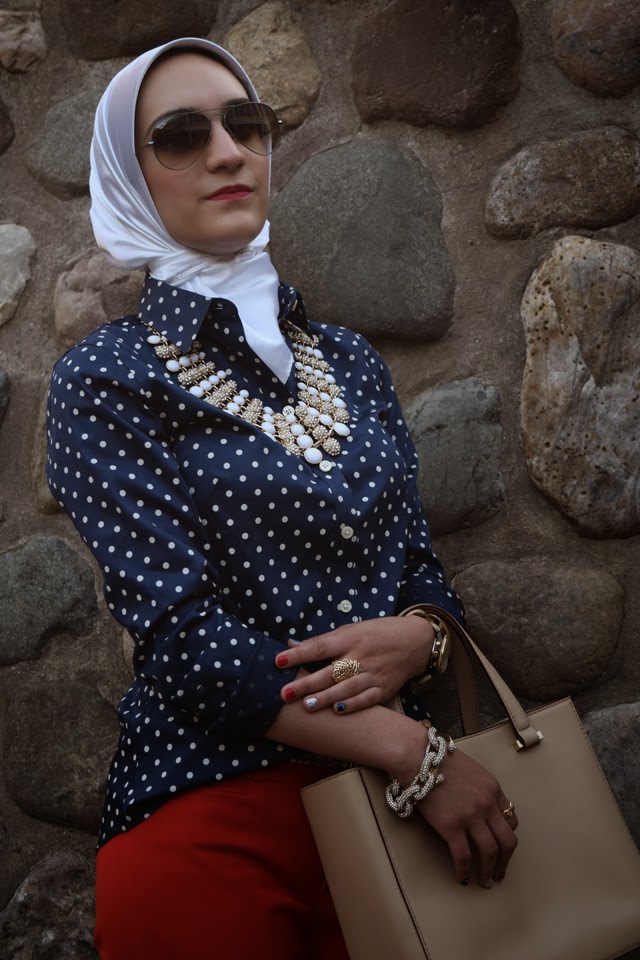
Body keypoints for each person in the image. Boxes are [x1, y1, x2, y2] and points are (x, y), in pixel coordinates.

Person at [46, 36, 518, 960]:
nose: (228, 152)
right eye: (181, 136)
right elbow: (182, 641)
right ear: (128, 176)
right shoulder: (105, 379)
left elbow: (420, 568)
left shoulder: (350, 360)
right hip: (218, 820)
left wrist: (423, 634)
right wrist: (415, 754)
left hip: (408, 832)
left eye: (246, 124)